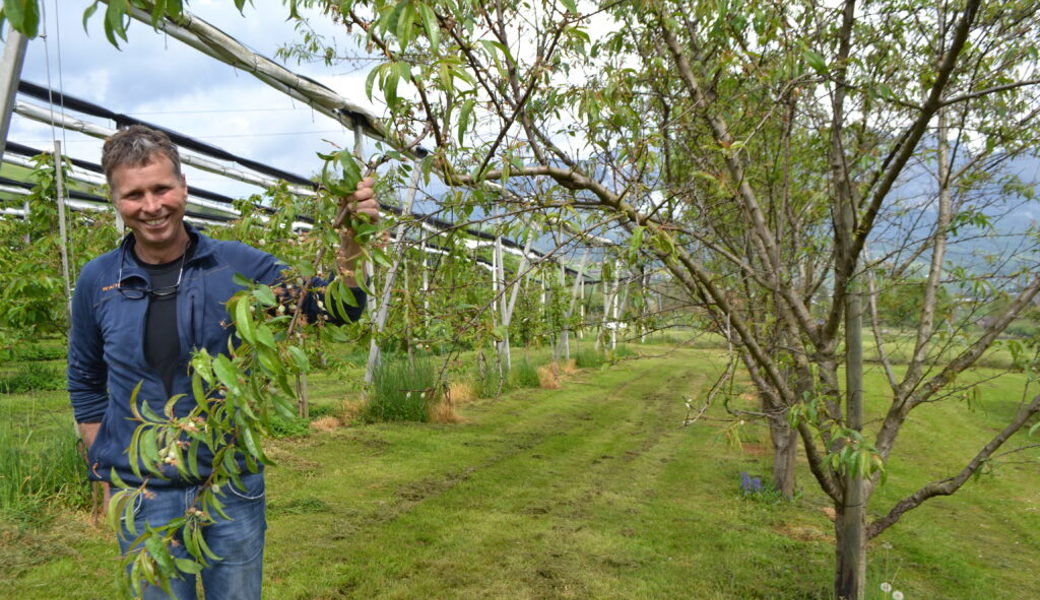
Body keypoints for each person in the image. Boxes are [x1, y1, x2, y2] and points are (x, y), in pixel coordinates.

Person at [67, 124, 378, 599]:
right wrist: (105, 472)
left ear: (183, 187)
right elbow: (86, 382)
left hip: (230, 483)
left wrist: (353, 242)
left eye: (162, 188)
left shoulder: (237, 266)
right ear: (116, 201)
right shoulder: (99, 280)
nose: (152, 206)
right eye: (134, 195)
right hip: (143, 490)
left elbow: (335, 306)